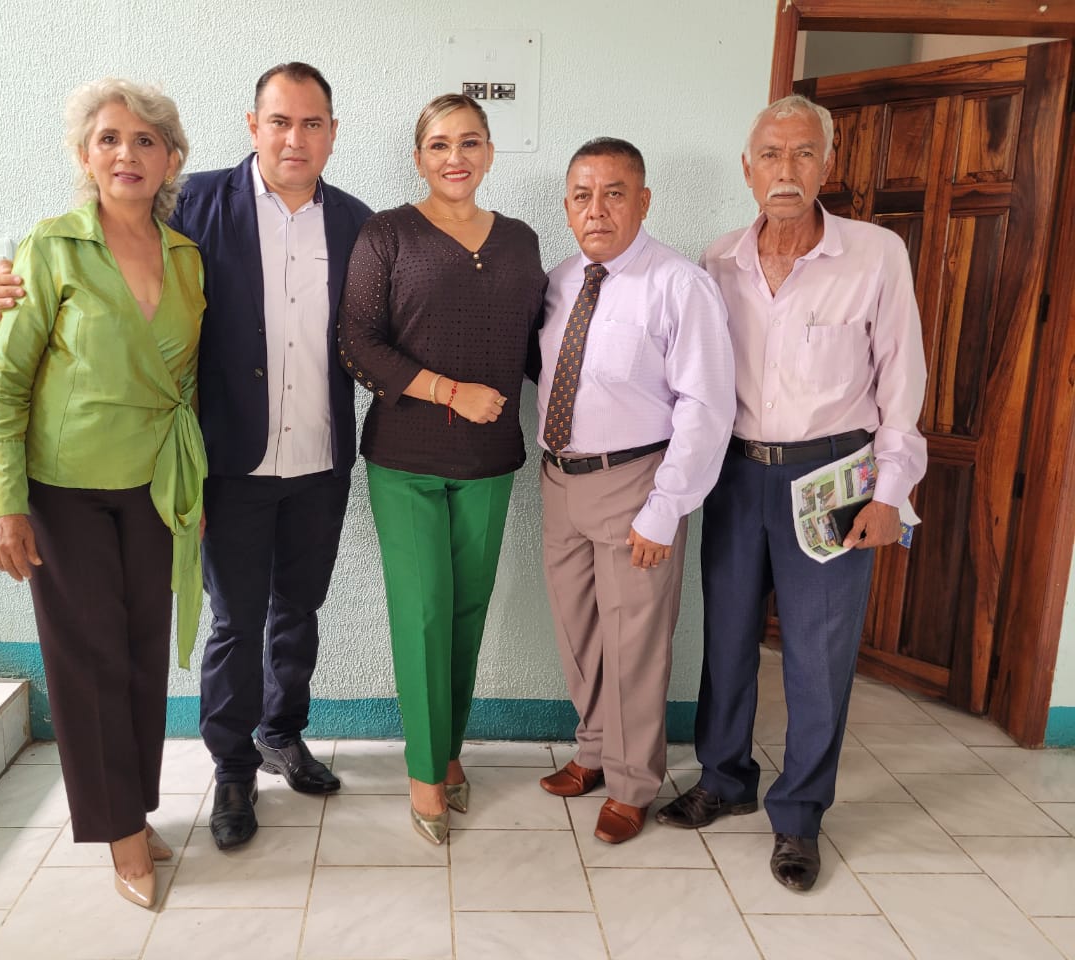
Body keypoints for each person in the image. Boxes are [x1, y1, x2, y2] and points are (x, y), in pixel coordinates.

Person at [0, 63, 373, 851]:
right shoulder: (193, 203)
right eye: (279, 121)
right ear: (253, 126)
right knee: (235, 619)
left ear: (333, 133)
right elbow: (104, 252)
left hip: (320, 455)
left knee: (299, 608)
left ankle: (282, 733)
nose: (294, 138)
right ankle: (231, 767)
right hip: (224, 459)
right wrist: (0, 282)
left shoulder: (357, 224)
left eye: (311, 123)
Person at [655, 95, 928, 891]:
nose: (787, 169)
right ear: (748, 169)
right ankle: (724, 779)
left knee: (819, 652)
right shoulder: (717, 261)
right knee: (728, 638)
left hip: (835, 476)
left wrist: (891, 493)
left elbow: (902, 382)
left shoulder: (876, 255)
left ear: (827, 166)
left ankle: (800, 816)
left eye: (804, 153)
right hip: (737, 473)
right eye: (771, 155)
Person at [0, 78, 205, 909]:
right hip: (64, 491)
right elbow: (4, 379)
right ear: (84, 156)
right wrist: (6, 503)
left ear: (171, 159)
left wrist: (194, 487)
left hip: (156, 488)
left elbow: (185, 383)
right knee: (90, 662)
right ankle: (119, 835)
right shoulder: (51, 247)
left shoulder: (186, 257)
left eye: (146, 140)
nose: (127, 154)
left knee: (142, 655)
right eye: (109, 138)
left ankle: (132, 809)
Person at [337, 93, 547, 844]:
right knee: (423, 613)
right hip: (407, 460)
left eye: (469, 142)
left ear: (488, 151)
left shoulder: (520, 241)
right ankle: (425, 774)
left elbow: (539, 345)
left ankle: (449, 750)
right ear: (419, 157)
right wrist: (451, 392)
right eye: (438, 145)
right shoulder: (387, 234)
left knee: (465, 613)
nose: (455, 157)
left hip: (490, 461)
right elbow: (357, 343)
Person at [533, 138, 735, 845]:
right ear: (567, 208)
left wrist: (666, 508)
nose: (597, 210)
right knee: (579, 632)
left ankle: (631, 783)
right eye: (582, 196)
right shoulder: (560, 281)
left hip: (637, 484)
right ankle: (592, 752)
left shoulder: (679, 285)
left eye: (614, 194)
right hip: (560, 479)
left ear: (643, 202)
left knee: (634, 644)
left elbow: (706, 407)